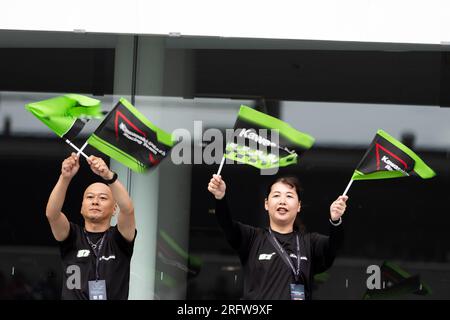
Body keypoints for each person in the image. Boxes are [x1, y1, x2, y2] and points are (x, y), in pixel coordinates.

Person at [207, 174, 348, 300]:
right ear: (266, 204)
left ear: (298, 206)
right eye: (276, 195)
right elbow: (227, 224)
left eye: (289, 196)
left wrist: (335, 220)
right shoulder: (252, 238)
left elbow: (335, 245)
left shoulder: (310, 242)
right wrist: (220, 198)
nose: (282, 201)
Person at [46, 153, 136, 300]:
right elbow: (52, 214)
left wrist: (108, 175)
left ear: (114, 209)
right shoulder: (72, 235)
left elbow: (128, 210)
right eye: (89, 197)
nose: (95, 202)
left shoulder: (119, 238)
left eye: (103, 198)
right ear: (81, 207)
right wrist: (65, 177)